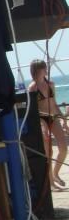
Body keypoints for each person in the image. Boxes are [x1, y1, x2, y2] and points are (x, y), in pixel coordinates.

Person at [28, 59, 66, 189]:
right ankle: (51, 182)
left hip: (53, 117)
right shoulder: (32, 88)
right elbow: (33, 110)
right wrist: (42, 125)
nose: (46, 69)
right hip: (41, 119)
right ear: (37, 70)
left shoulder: (50, 84)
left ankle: (55, 173)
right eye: (43, 67)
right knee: (48, 152)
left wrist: (63, 118)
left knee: (63, 148)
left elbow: (54, 103)